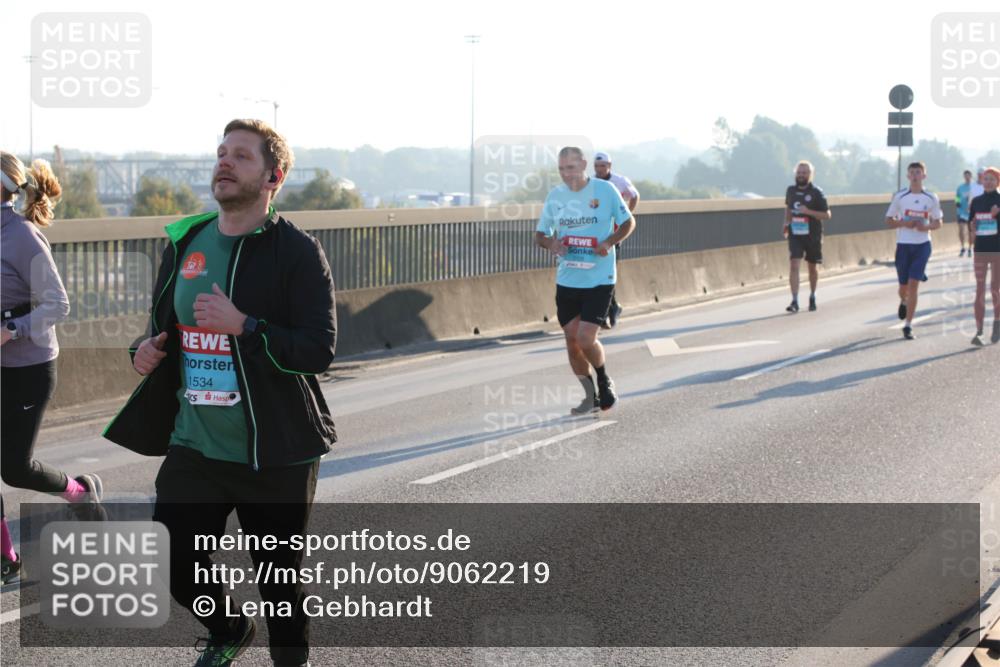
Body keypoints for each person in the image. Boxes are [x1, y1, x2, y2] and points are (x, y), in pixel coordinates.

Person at [103, 119, 337, 667]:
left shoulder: (298, 252)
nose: (224, 163)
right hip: (197, 443)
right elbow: (163, 328)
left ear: (273, 177)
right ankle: (229, 626)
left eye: (242, 156)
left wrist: (246, 326)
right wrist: (143, 349)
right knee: (172, 560)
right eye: (221, 153)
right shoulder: (187, 240)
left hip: (276, 450)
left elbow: (318, 350)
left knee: (280, 588)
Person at [1, 151, 103, 585]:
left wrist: (11, 328)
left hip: (28, 367)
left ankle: (80, 493)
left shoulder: (23, 237)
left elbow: (58, 304)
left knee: (14, 469)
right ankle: (6, 559)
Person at [535, 146, 635, 414]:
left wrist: (609, 242)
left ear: (583, 165)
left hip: (600, 278)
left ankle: (604, 380)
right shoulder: (555, 197)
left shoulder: (605, 191)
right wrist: (553, 244)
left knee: (585, 338)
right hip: (568, 279)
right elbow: (541, 235)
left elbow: (628, 223)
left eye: (571, 168)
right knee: (571, 341)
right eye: (561, 169)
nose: (566, 174)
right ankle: (590, 396)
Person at [884, 162, 943, 340]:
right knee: (904, 288)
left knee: (913, 284)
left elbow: (938, 222)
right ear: (908, 176)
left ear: (924, 175)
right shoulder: (900, 197)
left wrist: (926, 228)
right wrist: (904, 223)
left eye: (918, 172)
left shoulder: (931, 197)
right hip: (903, 245)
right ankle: (903, 300)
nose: (915, 175)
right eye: (912, 173)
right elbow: (888, 220)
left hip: (922, 245)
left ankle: (908, 325)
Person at [593, 151, 639, 328]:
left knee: (607, 272)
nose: (599, 169)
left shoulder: (620, 181)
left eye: (603, 166)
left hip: (615, 234)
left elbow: (634, 196)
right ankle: (613, 307)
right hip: (598, 234)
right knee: (600, 273)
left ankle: (605, 312)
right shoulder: (592, 182)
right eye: (597, 166)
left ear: (609, 166)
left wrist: (626, 216)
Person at [783, 161, 832, 312]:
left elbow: (827, 215)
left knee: (812, 268)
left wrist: (808, 212)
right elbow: (789, 209)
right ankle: (795, 301)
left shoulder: (817, 192)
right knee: (794, 265)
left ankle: (812, 295)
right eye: (799, 172)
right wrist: (786, 224)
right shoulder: (790, 190)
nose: (801, 175)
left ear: (810, 175)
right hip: (796, 234)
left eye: (804, 172)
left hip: (813, 234)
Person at [969, 166, 1000, 346]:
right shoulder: (976, 201)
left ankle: (997, 323)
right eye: (985, 178)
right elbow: (972, 224)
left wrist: (996, 216)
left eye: (992, 179)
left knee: (995, 289)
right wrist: (973, 227)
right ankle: (979, 331)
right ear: (981, 181)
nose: (988, 181)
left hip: (997, 249)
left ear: (997, 182)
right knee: (979, 289)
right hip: (980, 249)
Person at [955, 170, 974, 257]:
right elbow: (957, 197)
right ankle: (962, 247)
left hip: (971, 212)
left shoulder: (974, 187)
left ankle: (970, 247)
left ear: (971, 176)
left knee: (970, 231)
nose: (967, 177)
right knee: (961, 230)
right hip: (961, 212)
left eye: (968, 176)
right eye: (965, 176)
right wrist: (958, 203)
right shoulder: (960, 187)